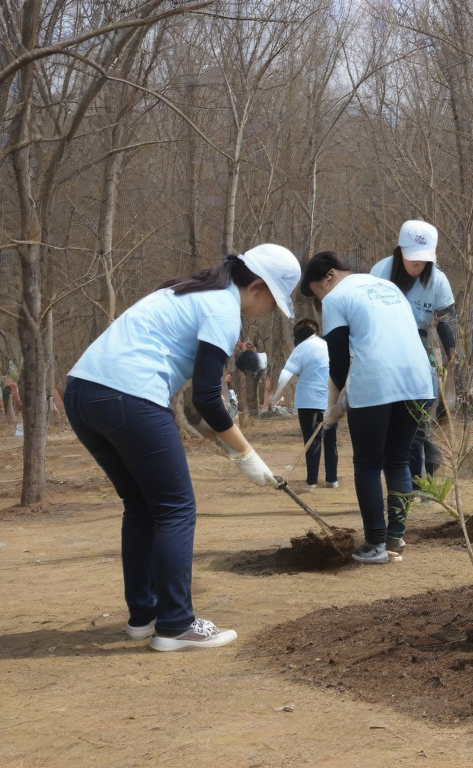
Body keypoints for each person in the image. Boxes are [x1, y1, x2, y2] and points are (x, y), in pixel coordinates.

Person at [65, 244, 300, 651]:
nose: (265, 312)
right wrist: (246, 455)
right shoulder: (222, 310)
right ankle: (175, 624)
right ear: (259, 287)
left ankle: (145, 616)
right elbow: (210, 398)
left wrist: (225, 444)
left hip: (83, 394)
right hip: (129, 395)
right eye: (272, 302)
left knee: (141, 505)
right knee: (176, 508)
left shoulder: (188, 290)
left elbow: (196, 407)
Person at [302, 250, 434, 564]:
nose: (321, 300)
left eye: (318, 291)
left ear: (330, 276)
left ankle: (374, 543)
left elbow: (336, 360)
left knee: (367, 464)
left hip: (376, 382)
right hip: (419, 381)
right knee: (398, 460)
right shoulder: (389, 288)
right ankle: (394, 540)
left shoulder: (336, 298)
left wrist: (332, 408)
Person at [369, 220, 456, 482]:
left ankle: (418, 482)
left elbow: (447, 318)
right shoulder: (380, 272)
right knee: (388, 421)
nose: (418, 265)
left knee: (418, 418)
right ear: (400, 252)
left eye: (423, 260)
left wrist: (452, 351)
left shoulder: (438, 280)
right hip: (383, 344)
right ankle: (397, 481)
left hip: (418, 343)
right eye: (413, 260)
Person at [267, 318, 339, 490]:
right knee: (330, 439)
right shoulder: (328, 345)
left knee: (311, 440)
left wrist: (276, 397)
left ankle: (312, 480)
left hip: (307, 401)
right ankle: (332, 479)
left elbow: (286, 374)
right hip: (329, 399)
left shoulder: (301, 349)